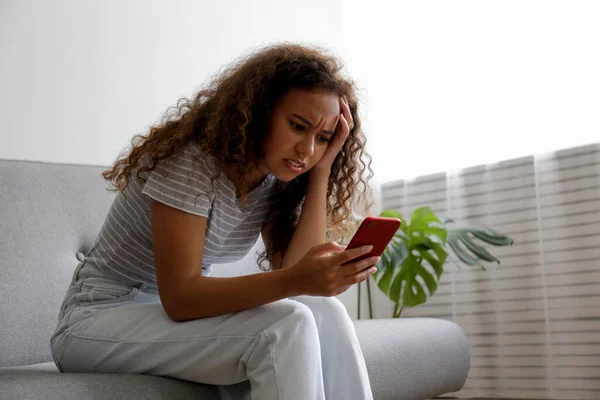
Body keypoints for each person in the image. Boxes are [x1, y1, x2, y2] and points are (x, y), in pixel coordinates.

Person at [50, 43, 378, 400]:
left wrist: (321, 173)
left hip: (164, 319)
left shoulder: (272, 180)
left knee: (323, 309)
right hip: (95, 321)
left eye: (323, 138)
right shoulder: (190, 164)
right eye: (298, 127)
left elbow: (300, 277)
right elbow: (181, 297)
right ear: (260, 110)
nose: (307, 150)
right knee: (286, 325)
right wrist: (297, 278)